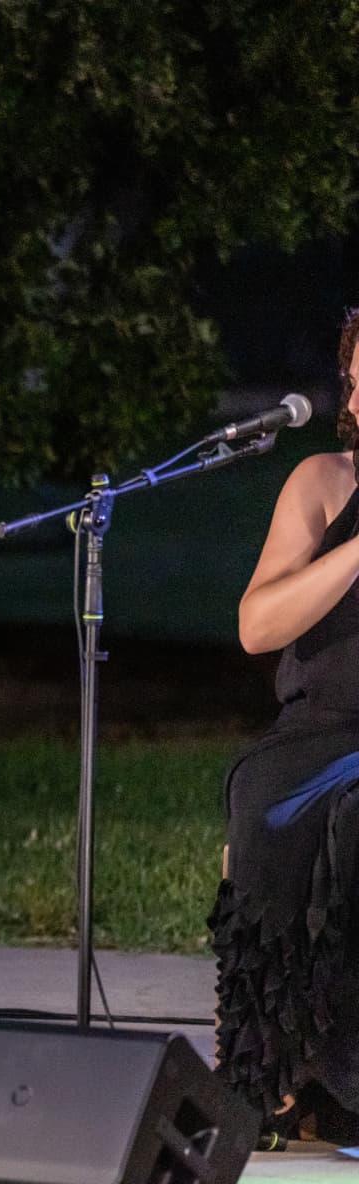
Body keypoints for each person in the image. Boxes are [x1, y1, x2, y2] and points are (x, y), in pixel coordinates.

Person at [220, 306, 359, 1140]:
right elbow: (257, 626)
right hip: (325, 728)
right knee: (275, 803)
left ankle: (344, 1083)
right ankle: (267, 1069)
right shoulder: (323, 483)